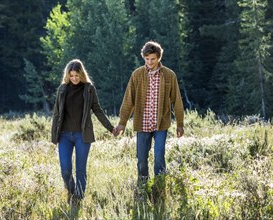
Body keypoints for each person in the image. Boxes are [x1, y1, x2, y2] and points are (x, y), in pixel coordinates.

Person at [114, 41, 184, 184]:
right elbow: (129, 100)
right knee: (141, 159)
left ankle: (159, 186)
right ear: (143, 58)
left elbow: (176, 101)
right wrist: (122, 123)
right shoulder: (137, 75)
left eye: (153, 59)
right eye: (147, 59)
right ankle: (143, 186)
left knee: (159, 156)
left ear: (159, 57)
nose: (150, 62)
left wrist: (180, 124)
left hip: (161, 124)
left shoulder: (169, 75)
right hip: (143, 123)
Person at [51, 59, 115, 204]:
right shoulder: (62, 89)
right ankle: (71, 192)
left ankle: (78, 199)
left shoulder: (89, 89)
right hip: (64, 136)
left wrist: (110, 128)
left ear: (82, 74)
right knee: (65, 170)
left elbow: (97, 109)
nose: (74, 78)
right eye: (71, 75)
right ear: (67, 75)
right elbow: (56, 114)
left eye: (77, 75)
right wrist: (54, 136)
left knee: (81, 170)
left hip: (82, 135)